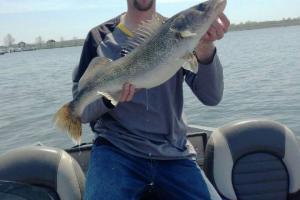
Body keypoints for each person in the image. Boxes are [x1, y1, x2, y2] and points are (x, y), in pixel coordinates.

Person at [72, 0, 230, 199]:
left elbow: (211, 97)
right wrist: (111, 98)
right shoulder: (98, 38)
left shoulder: (178, 32)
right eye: (201, 8)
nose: (204, 10)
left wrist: (206, 47)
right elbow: (83, 112)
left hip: (174, 153)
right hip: (116, 151)